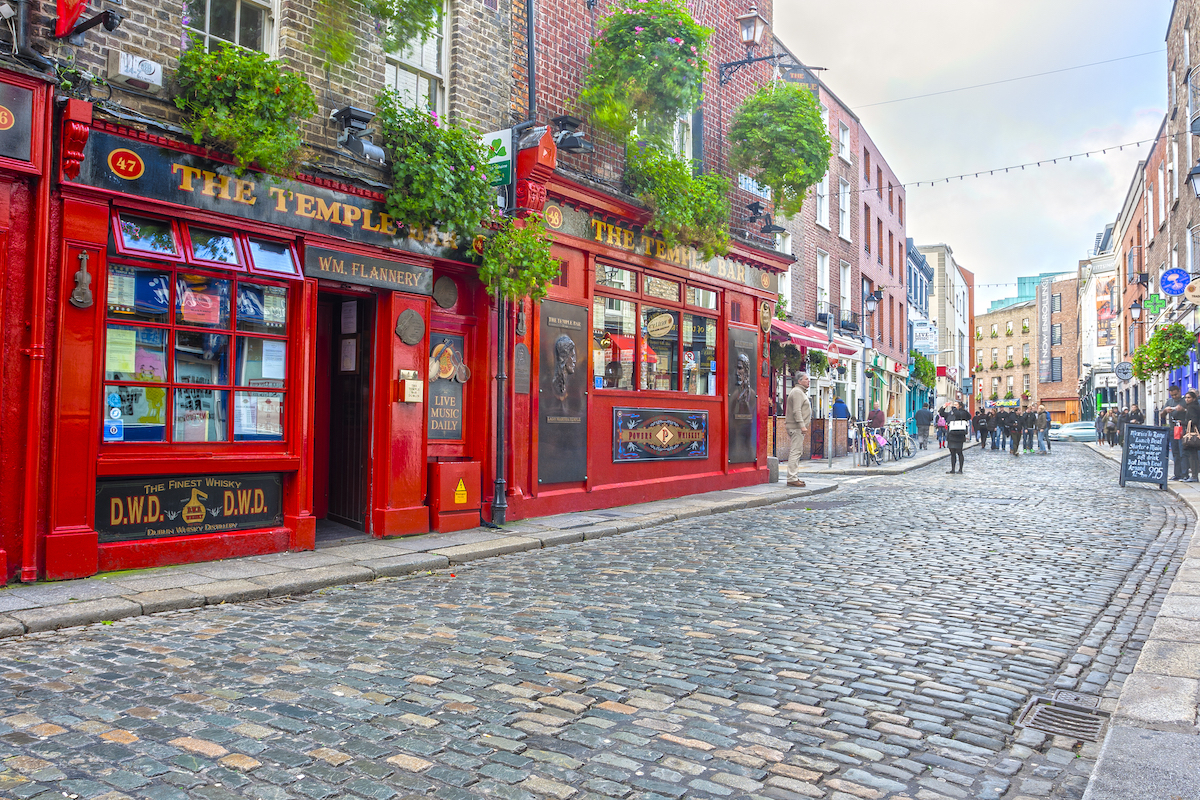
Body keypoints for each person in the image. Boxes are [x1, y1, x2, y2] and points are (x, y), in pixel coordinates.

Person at [785, 371, 812, 487]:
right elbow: (797, 410)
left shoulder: (800, 392)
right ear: (799, 381)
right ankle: (792, 478)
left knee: (797, 451)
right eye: (806, 379)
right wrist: (802, 425)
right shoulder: (797, 392)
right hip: (796, 428)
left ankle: (793, 476)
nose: (808, 381)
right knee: (795, 452)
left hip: (797, 428)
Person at [1161, 386, 1187, 481]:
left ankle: (1185, 474)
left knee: (1183, 452)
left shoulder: (1185, 401)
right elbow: (1161, 415)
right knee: (1175, 452)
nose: (1174, 397)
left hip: (1183, 428)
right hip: (1173, 429)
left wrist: (1183, 410)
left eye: (1176, 394)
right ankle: (1177, 474)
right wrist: (1165, 410)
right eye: (1172, 395)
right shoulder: (1169, 401)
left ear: (1180, 391)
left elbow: (1193, 413)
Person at [944, 401, 971, 473]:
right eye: (954, 405)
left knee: (959, 452)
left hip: (959, 435)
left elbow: (958, 415)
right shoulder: (951, 413)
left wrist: (953, 408)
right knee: (952, 453)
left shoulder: (963, 413)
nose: (954, 406)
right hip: (951, 435)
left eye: (956, 405)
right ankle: (953, 469)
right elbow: (942, 414)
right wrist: (944, 407)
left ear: (960, 406)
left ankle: (960, 469)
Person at [1183, 390, 1200, 482]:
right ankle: (1194, 475)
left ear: (1193, 398)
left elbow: (1194, 421)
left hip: (1193, 434)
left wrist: (1183, 423)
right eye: (1186, 397)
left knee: (1192, 455)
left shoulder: (1192, 407)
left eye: (1189, 397)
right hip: (1195, 433)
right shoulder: (1194, 406)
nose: (1187, 399)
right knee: (1193, 455)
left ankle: (1194, 476)